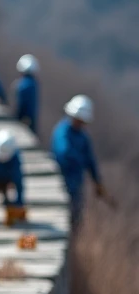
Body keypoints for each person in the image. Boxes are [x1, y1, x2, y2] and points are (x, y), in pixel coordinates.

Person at [50, 94, 106, 222]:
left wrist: (97, 181)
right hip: (61, 182)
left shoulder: (82, 136)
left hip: (76, 184)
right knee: (62, 218)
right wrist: (80, 160)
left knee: (75, 218)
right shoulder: (62, 132)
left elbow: (90, 159)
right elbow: (63, 153)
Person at [14, 54, 40, 135]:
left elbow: (21, 104)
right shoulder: (34, 84)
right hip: (31, 120)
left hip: (23, 119)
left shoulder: (22, 84)